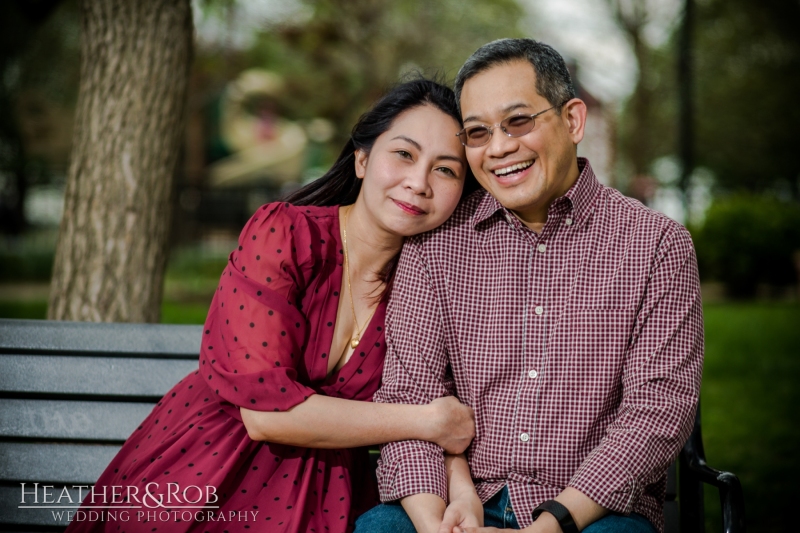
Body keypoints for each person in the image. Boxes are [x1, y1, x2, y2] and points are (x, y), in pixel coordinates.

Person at [64, 78, 478, 533]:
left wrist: (461, 496)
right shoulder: (284, 234)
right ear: (362, 159)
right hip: (208, 469)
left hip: (330, 495)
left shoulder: (433, 282)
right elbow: (265, 414)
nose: (418, 182)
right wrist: (427, 421)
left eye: (446, 170)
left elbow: (440, 413)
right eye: (404, 154)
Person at [354, 39, 703, 533]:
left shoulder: (656, 245)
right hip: (461, 500)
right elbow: (413, 393)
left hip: (588, 512)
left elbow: (657, 411)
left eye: (518, 122)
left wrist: (552, 523)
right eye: (477, 133)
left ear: (573, 121)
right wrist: (436, 521)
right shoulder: (435, 244)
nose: (498, 148)